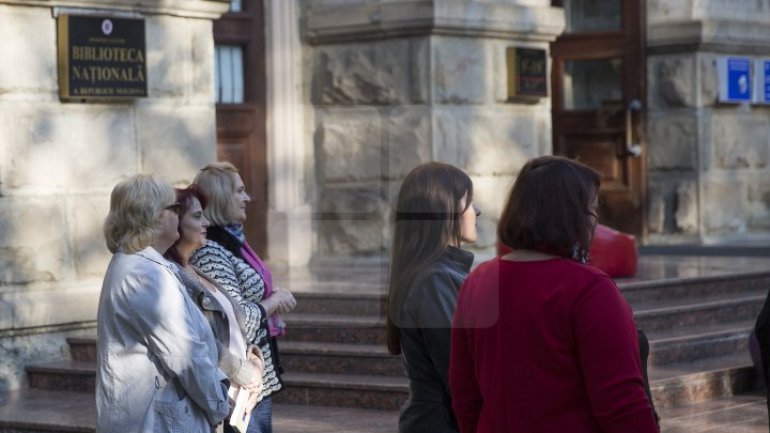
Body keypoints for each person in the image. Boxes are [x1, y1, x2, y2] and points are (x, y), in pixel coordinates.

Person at [449, 155, 658, 433]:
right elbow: (622, 406)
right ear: (573, 217)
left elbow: (465, 395)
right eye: (592, 211)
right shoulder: (589, 289)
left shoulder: (477, 282)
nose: (594, 224)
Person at [96, 174, 230, 433]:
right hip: (154, 422)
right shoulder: (143, 274)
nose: (179, 216)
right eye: (175, 209)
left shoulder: (147, 265)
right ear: (154, 215)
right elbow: (185, 354)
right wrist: (220, 404)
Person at [191, 162, 297, 433]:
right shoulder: (210, 251)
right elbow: (234, 319)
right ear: (221, 198)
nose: (247, 198)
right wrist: (273, 303)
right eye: (239, 191)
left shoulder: (231, 240)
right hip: (239, 380)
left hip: (255, 378)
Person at [385, 162, 478, 433]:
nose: (477, 211)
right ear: (445, 210)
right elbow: (458, 373)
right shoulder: (433, 279)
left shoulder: (434, 273)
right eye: (469, 202)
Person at [163, 185, 265, 429]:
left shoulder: (196, 271)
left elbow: (231, 328)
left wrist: (255, 359)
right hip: (219, 399)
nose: (206, 222)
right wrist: (244, 374)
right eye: (197, 217)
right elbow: (201, 342)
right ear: (175, 223)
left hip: (240, 394)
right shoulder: (172, 276)